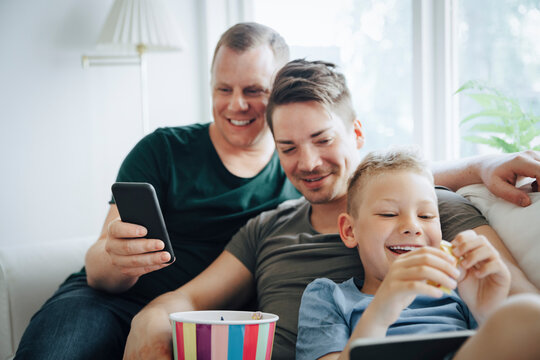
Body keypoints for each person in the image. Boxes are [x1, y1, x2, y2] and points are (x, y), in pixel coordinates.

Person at [123, 59, 539, 360]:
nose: (307, 163)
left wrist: (477, 166)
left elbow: (521, 311)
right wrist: (150, 320)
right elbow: (189, 300)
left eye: (322, 140)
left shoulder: (434, 210)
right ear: (348, 230)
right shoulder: (268, 229)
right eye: (288, 148)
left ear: (357, 133)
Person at [15, 22, 301, 360]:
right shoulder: (162, 150)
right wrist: (118, 258)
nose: (236, 104)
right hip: (111, 303)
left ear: (279, 91)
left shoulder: (299, 171)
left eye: (253, 90)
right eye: (224, 89)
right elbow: (97, 269)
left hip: (212, 320)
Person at [296, 148, 540, 360]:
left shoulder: (461, 291)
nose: (412, 226)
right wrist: (383, 307)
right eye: (389, 214)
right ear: (350, 231)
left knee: (528, 314)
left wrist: (486, 312)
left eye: (425, 216)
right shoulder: (327, 296)